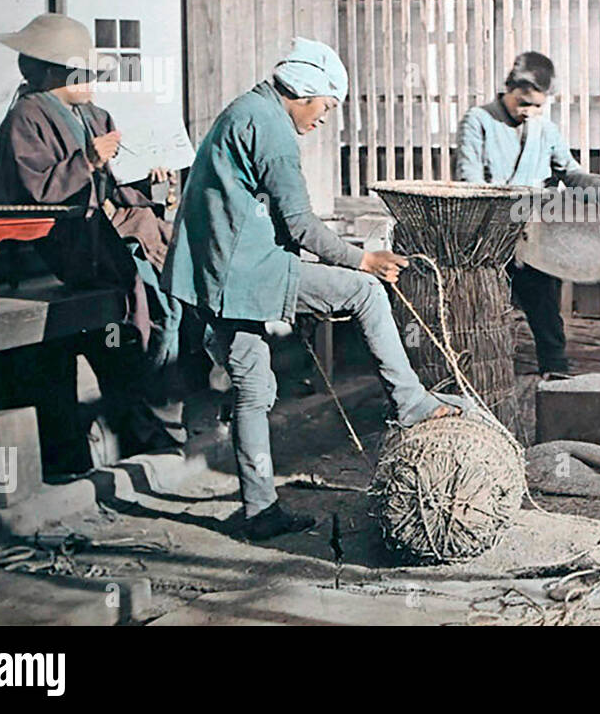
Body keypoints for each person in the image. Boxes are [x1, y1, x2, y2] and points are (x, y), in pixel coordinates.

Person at [163, 37, 464, 541]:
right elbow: (301, 226)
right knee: (365, 292)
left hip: (215, 272)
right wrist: (362, 259)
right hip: (246, 271)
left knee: (253, 390)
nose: (325, 117)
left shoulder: (246, 109)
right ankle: (410, 400)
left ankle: (259, 511)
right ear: (304, 92)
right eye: (327, 105)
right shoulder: (273, 131)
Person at [0, 13, 184, 466]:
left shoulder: (95, 116)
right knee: (114, 330)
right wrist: (87, 161)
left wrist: (158, 185)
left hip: (99, 242)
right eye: (86, 73)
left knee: (151, 316)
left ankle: (139, 426)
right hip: (55, 248)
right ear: (50, 72)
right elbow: (34, 191)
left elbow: (116, 184)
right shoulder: (26, 118)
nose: (95, 80)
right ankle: (91, 448)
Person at [455, 51, 600, 376]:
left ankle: (556, 377)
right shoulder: (478, 121)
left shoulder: (544, 129)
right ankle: (479, 379)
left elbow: (571, 175)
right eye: (522, 103)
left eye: (537, 106)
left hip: (536, 240)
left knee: (547, 316)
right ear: (508, 89)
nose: (529, 112)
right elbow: (470, 182)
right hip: (487, 238)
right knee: (482, 317)